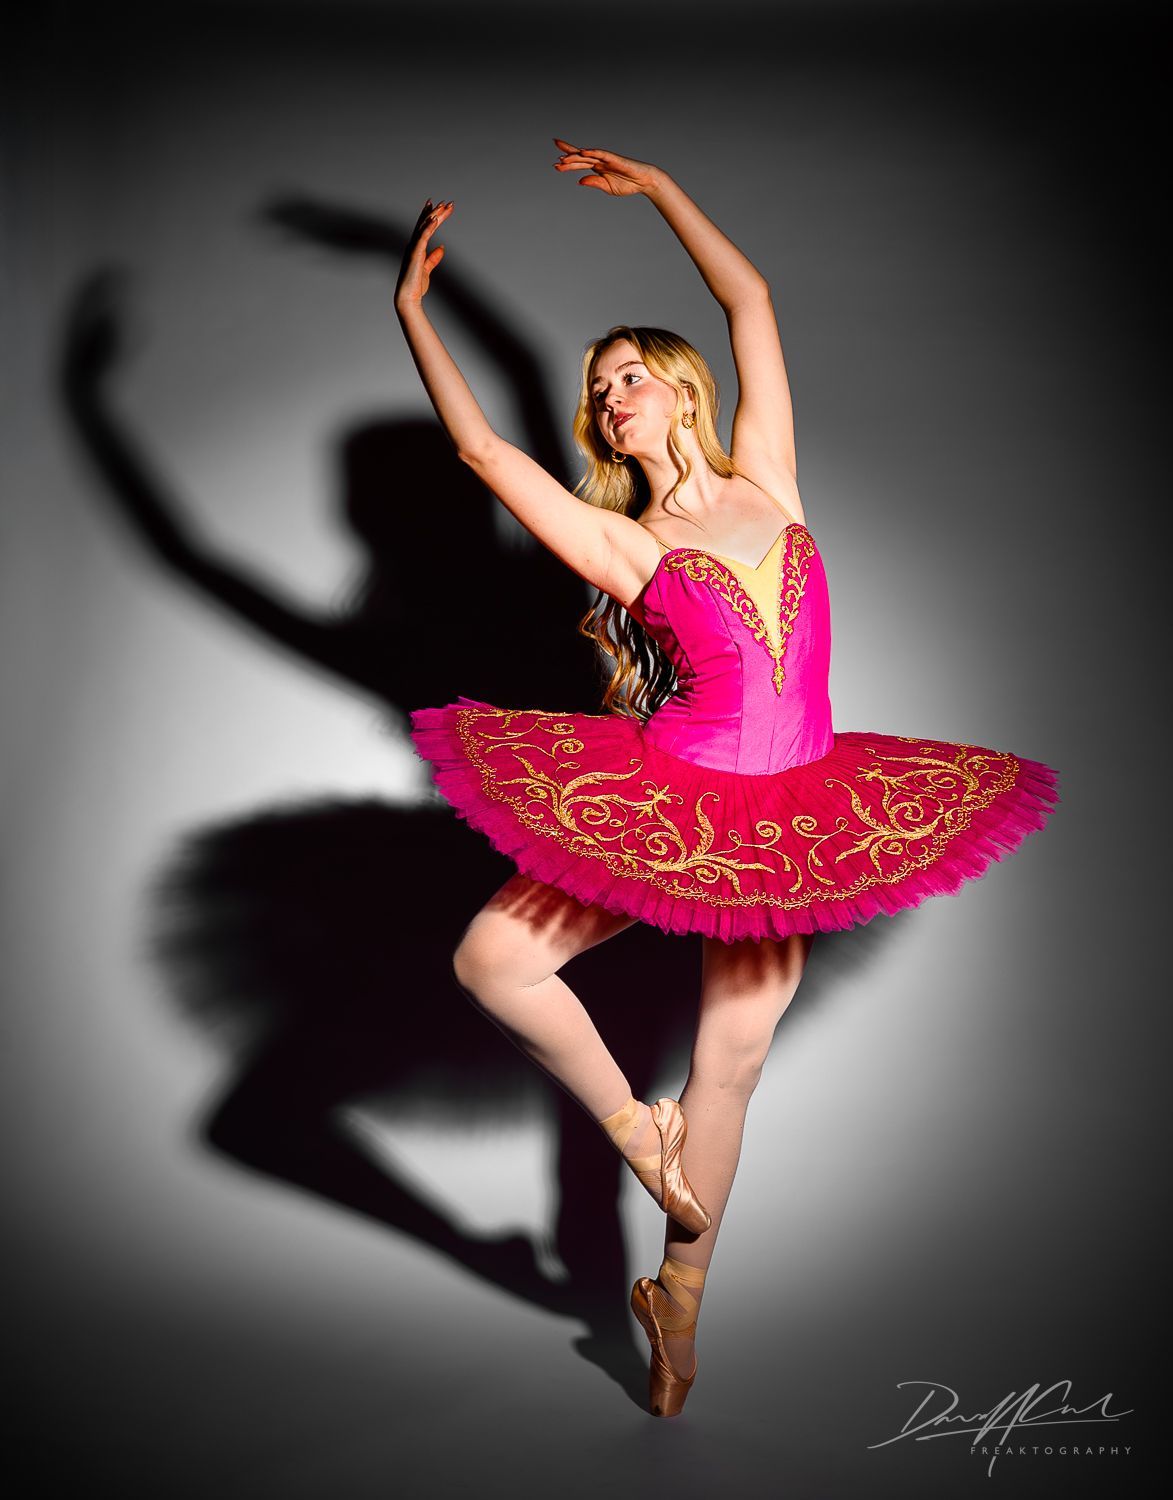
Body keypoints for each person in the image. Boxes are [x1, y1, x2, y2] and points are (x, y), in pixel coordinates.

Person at [394, 140, 1060, 1418]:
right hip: (679, 799)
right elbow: (487, 455)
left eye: (629, 375)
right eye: (600, 391)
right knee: (495, 960)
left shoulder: (771, 474)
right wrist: (416, 313)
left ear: (682, 394)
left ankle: (677, 1304)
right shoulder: (627, 544)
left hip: (806, 804)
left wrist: (661, 193)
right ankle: (631, 1129)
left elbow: (749, 303)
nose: (610, 398)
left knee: (735, 1069)